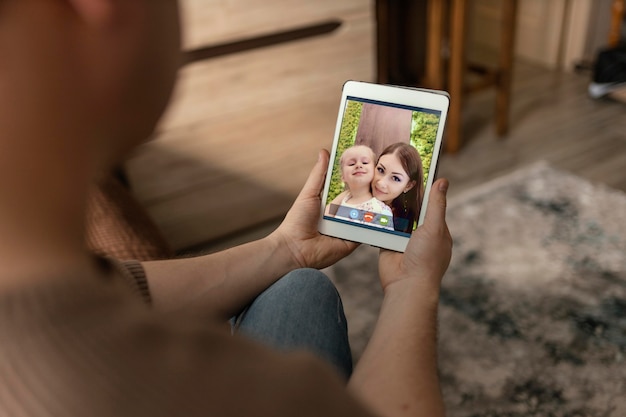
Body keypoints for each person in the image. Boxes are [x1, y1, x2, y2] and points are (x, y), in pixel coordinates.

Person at [0, 1, 452, 417]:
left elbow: (127, 287)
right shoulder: (224, 392)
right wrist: (413, 287)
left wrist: (285, 249)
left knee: (299, 286)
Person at [325, 145, 394, 230]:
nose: (358, 165)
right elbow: (325, 220)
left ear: (374, 170)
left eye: (365, 162)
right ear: (343, 176)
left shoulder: (381, 210)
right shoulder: (343, 200)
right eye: (351, 164)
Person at [372, 142, 426, 233]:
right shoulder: (352, 197)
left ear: (409, 185)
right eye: (380, 170)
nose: (381, 183)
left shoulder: (401, 220)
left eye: (395, 178)